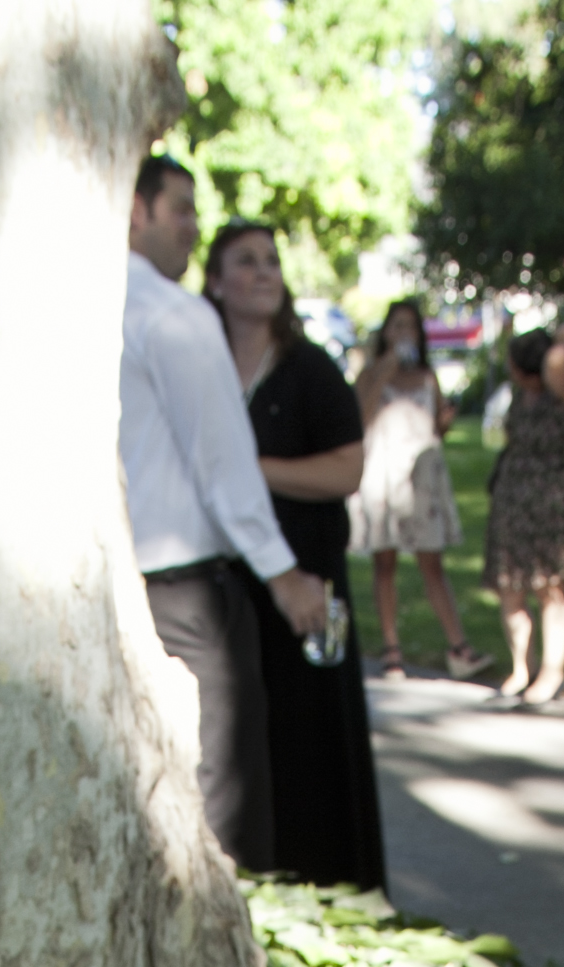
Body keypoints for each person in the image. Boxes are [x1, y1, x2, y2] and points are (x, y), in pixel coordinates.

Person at [121, 153, 326, 869]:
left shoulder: (77, 305)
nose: (192, 227)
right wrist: (284, 575)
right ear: (136, 210)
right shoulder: (172, 315)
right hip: (186, 590)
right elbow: (222, 459)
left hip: (115, 590)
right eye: (180, 209)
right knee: (219, 798)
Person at [202, 218, 386, 891]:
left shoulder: (309, 370)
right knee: (240, 739)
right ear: (215, 282)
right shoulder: (202, 369)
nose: (262, 274)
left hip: (305, 582)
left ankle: (328, 885)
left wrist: (252, 472)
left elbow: (347, 470)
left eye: (271, 262)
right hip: (226, 585)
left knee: (312, 737)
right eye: (245, 261)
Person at [350, 299, 492, 682]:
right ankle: (391, 648)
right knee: (385, 563)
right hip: (383, 473)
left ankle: (458, 647)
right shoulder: (370, 374)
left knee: (432, 562)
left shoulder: (428, 376)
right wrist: (384, 370)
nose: (403, 334)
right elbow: (357, 418)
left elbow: (436, 427)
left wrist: (445, 421)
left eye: (410, 327)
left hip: (422, 477)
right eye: (397, 326)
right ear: (386, 331)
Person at [482, 327, 564, 705]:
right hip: (512, 505)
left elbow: (555, 362)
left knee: (551, 590)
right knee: (510, 588)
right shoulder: (521, 397)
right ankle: (522, 667)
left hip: (555, 508)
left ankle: (552, 672)